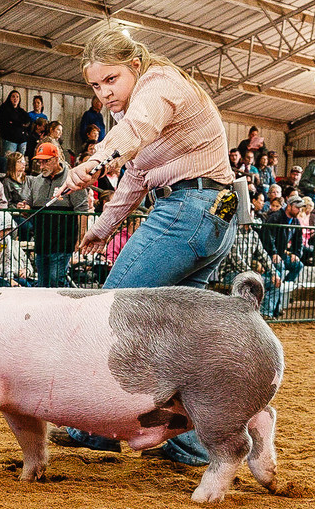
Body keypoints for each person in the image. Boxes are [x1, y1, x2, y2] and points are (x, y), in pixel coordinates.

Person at [56, 28, 237, 466]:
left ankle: (97, 429)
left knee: (109, 311)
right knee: (176, 337)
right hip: (213, 214)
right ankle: (189, 444)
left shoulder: (159, 85)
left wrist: (97, 160)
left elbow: (136, 131)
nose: (104, 94)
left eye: (111, 80)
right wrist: (102, 228)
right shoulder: (134, 110)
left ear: (135, 66)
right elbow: (135, 176)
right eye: (96, 86)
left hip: (188, 210)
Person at [20, 142, 88, 287]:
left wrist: (81, 239)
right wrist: (24, 208)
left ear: (56, 159)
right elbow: (29, 207)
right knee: (43, 282)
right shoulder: (36, 181)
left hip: (63, 241)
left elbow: (82, 210)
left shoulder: (72, 178)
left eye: (46, 161)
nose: (42, 165)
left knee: (55, 279)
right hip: (42, 241)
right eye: (39, 161)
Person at [0, 90, 29, 154]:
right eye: (13, 97)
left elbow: (27, 121)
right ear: (9, 98)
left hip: (22, 140)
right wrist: (20, 124)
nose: (15, 99)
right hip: (10, 139)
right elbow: (6, 122)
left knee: (21, 161)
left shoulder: (21, 111)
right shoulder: (4, 108)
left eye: (17, 97)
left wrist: (14, 122)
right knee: (8, 160)